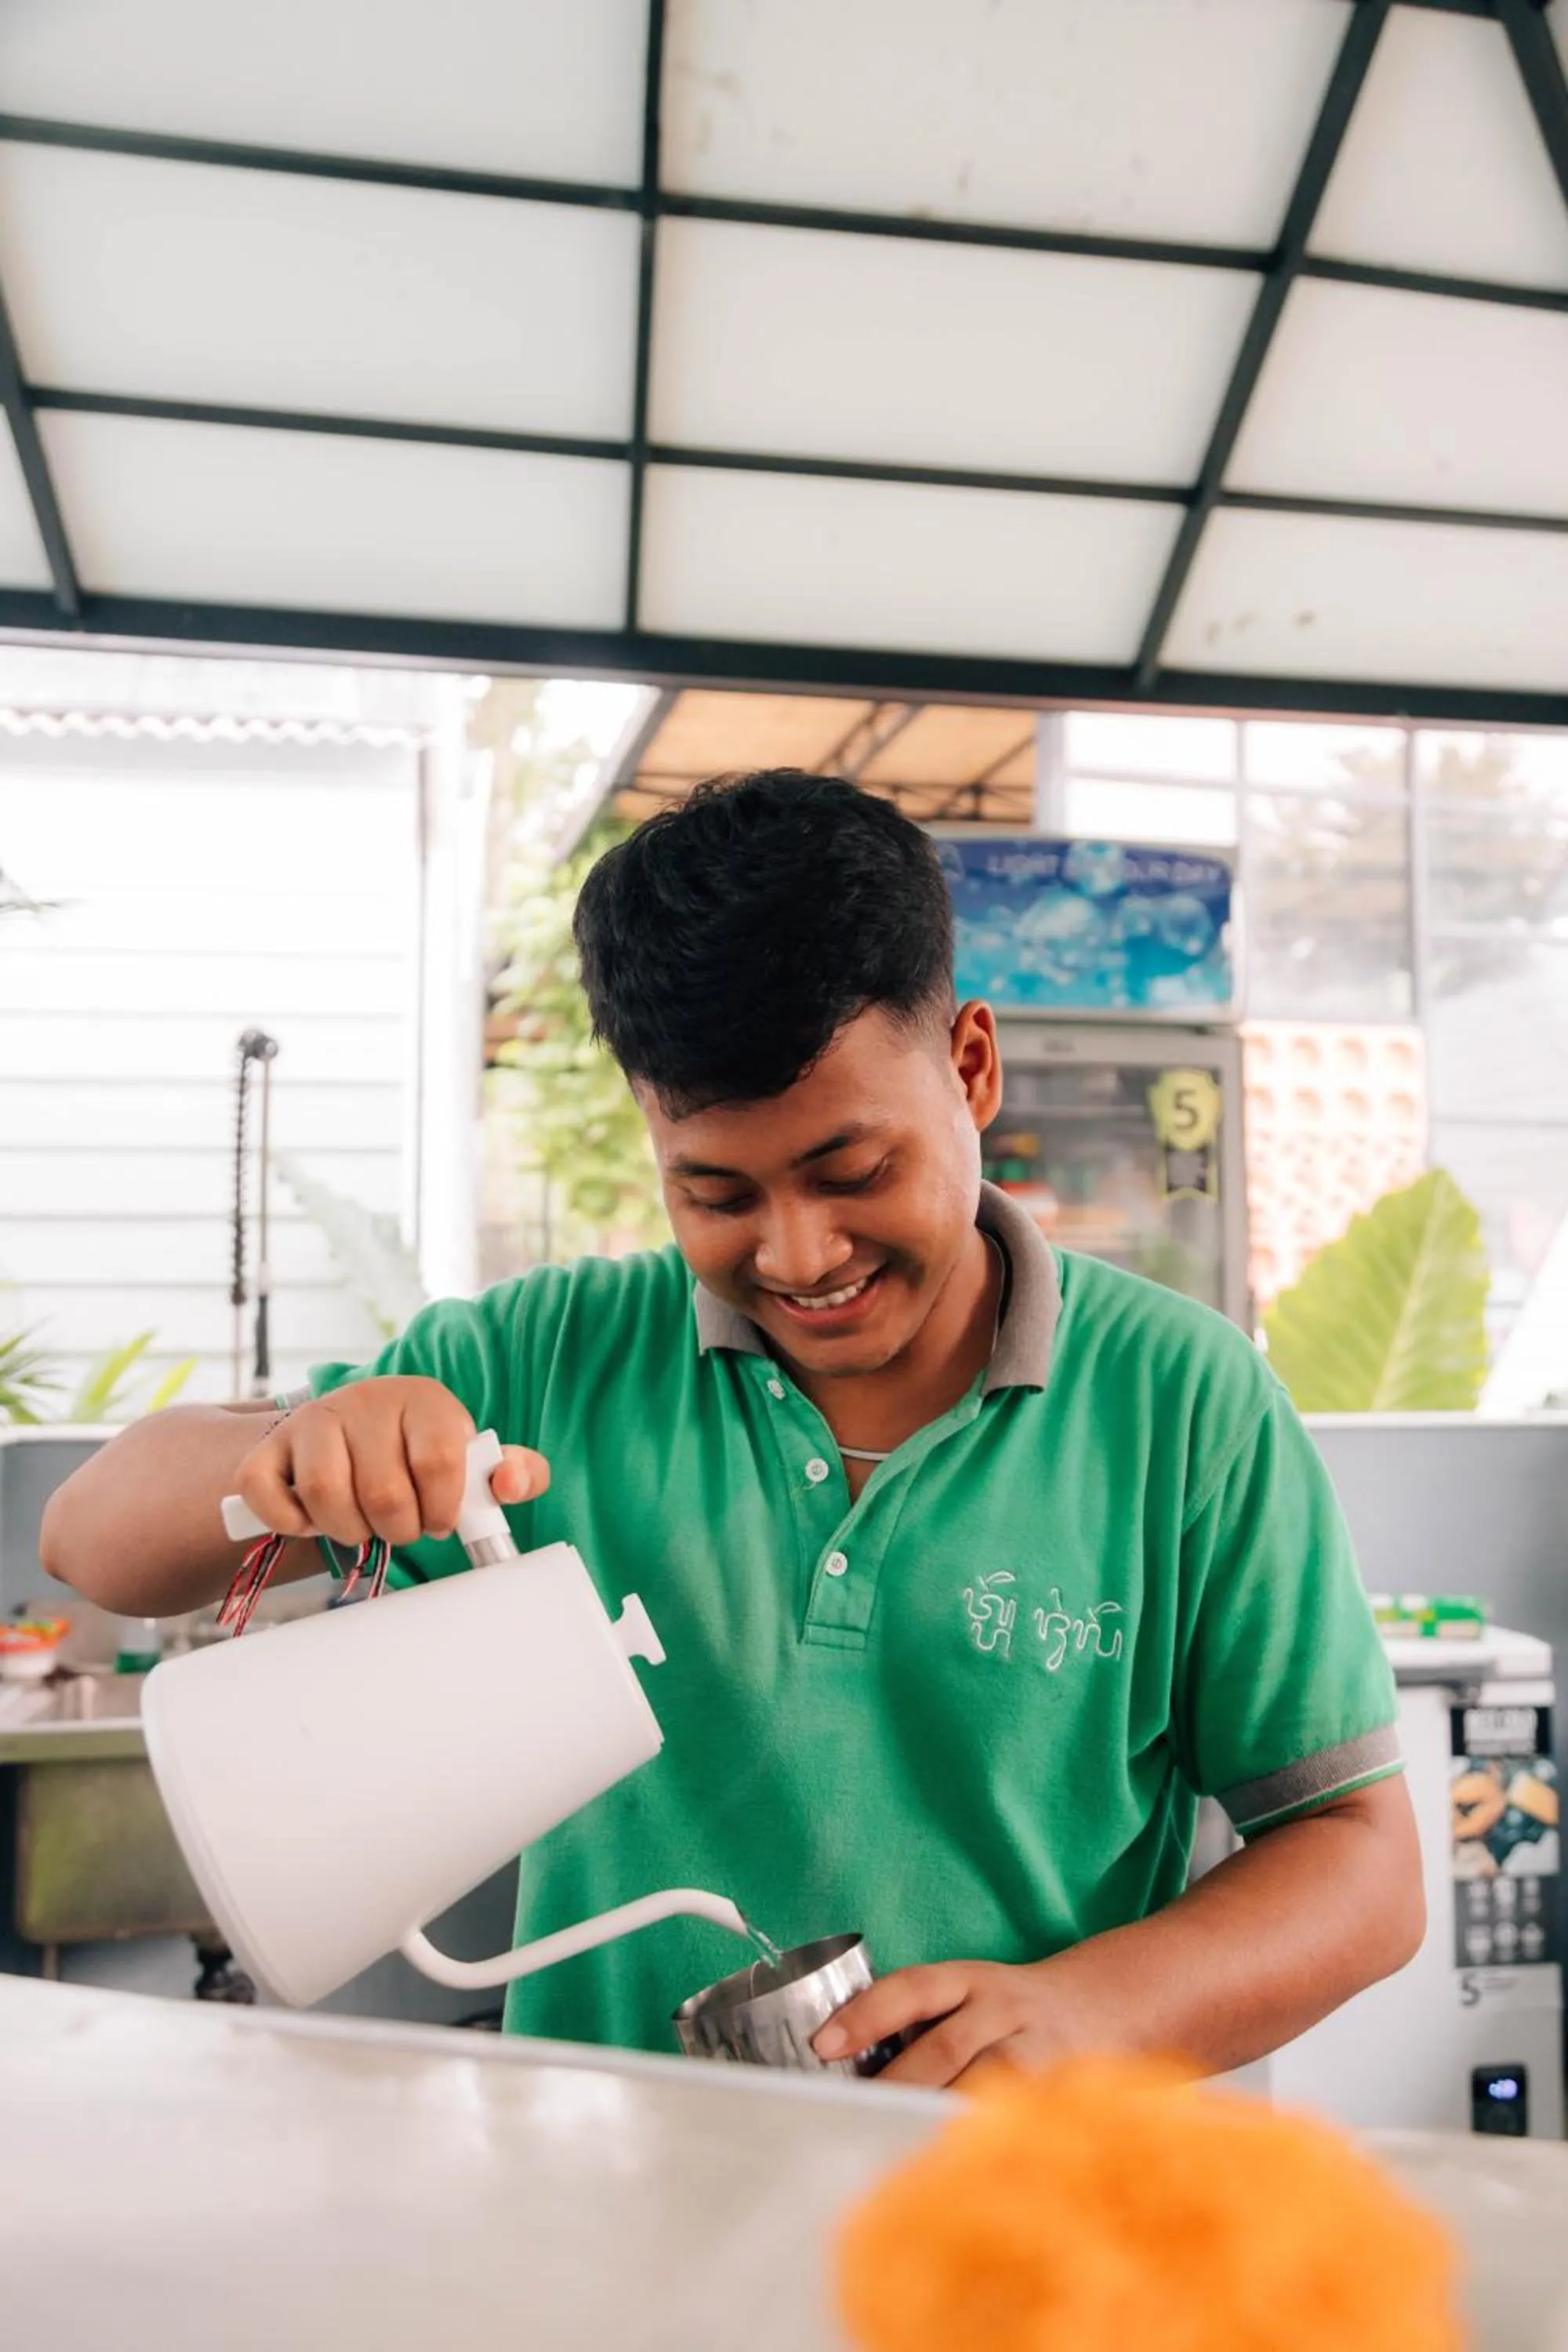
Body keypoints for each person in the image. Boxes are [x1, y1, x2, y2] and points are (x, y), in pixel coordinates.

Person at [42, 770, 1422, 2086]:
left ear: (972, 1063)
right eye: (716, 1194)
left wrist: (1095, 2010)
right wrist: (287, 1456)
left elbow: (1358, 1858)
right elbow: (91, 1542)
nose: (800, 1251)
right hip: (607, 2207)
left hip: (1010, 2233)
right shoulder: (534, 1366)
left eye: (854, 1169)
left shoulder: (1187, 1406)